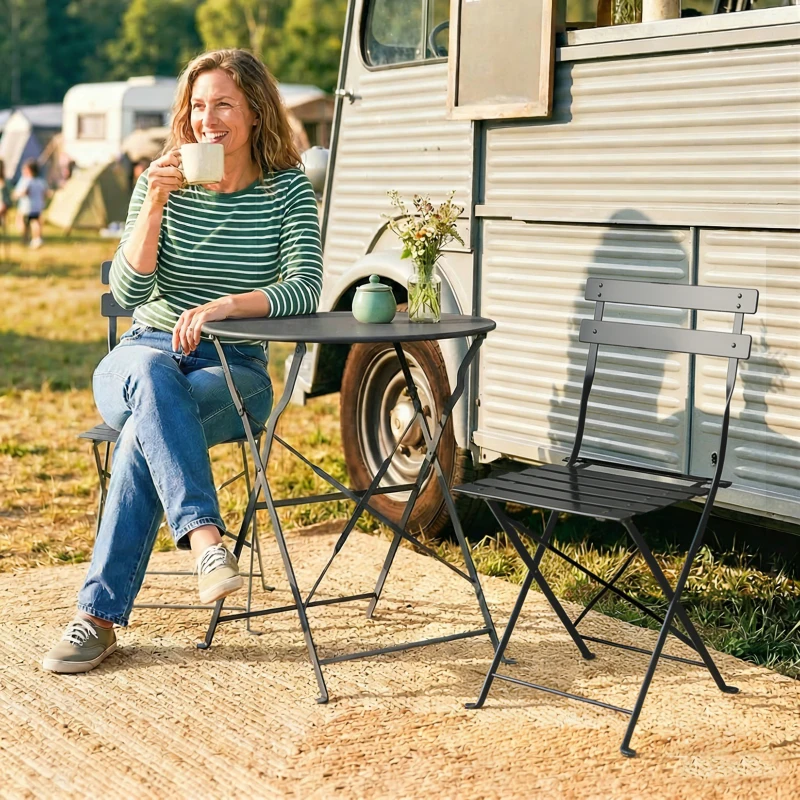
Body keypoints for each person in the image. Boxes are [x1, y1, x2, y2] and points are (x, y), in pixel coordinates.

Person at [43, 49, 323, 674]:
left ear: (256, 111)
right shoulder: (160, 182)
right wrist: (154, 205)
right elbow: (129, 292)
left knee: (145, 431)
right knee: (150, 377)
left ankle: (96, 620)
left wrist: (228, 307)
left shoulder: (286, 190)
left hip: (235, 368)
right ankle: (206, 542)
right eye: (198, 106)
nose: (207, 119)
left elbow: (306, 286)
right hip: (142, 351)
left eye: (223, 104)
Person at [13, 159, 48, 248]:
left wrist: (16, 195)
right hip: (37, 206)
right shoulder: (40, 181)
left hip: (27, 207)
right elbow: (45, 193)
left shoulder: (27, 181)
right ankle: (36, 239)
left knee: (26, 223)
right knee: (35, 222)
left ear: (29, 170)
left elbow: (24, 192)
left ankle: (30, 239)